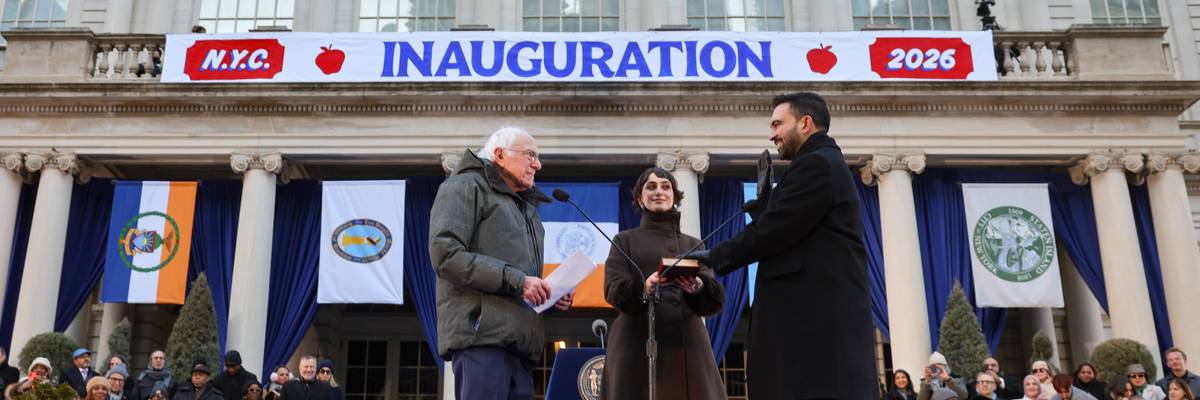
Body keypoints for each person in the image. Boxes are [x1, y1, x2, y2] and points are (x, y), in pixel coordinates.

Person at [686, 92, 879, 398]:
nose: (771, 134)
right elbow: (795, 228)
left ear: (805, 123)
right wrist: (766, 207)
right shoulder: (821, 162)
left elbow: (775, 230)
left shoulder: (816, 163)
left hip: (813, 336)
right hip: (814, 334)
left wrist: (715, 256)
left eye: (778, 124)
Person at [428, 127, 573, 399]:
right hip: (481, 339)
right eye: (530, 155)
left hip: (521, 347)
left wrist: (549, 294)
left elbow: (521, 277)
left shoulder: (527, 209)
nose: (538, 165)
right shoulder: (464, 186)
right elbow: (446, 255)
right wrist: (520, 282)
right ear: (500, 155)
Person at [600, 167, 726, 400]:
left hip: (688, 344)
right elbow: (612, 288)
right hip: (636, 345)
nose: (659, 191)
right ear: (640, 198)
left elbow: (713, 300)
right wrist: (643, 288)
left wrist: (697, 287)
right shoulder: (624, 240)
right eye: (651, 187)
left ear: (674, 197)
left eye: (665, 187)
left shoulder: (694, 244)